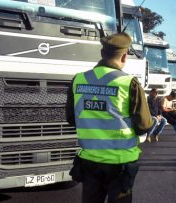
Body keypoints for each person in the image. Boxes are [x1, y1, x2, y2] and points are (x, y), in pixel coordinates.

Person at [66, 32, 154, 203]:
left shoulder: (79, 80)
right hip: (120, 164)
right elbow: (143, 125)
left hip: (89, 160)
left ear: (102, 53)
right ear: (124, 56)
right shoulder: (129, 83)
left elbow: (71, 118)